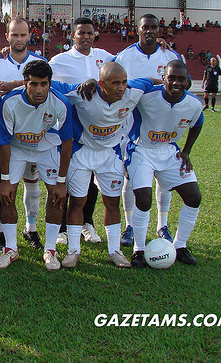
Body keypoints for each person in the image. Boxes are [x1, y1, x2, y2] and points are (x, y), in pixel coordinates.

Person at [51, 62, 154, 269]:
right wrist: (9, 85)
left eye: (124, 82)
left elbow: (153, 82)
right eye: (115, 83)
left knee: (112, 202)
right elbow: (47, 83)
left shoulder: (133, 91)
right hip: (82, 153)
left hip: (110, 155)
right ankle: (73, 251)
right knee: (77, 202)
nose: (121, 87)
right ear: (101, 84)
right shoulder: (83, 94)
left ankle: (114, 251)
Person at [0, 60, 73, 269]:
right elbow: (4, 142)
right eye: (33, 84)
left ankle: (50, 250)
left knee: (56, 195)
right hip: (17, 147)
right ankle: (10, 248)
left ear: (50, 83)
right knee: (7, 194)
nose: (39, 90)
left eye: (44, 84)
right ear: (24, 83)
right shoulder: (10, 102)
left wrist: (61, 182)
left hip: (46, 147)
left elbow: (67, 143)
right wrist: (5, 180)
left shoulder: (61, 103)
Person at [126, 60, 204, 267]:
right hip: (141, 150)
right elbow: (127, 88)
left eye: (181, 79)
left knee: (194, 196)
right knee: (144, 200)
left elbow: (198, 123)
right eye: (171, 78)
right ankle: (139, 250)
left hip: (170, 151)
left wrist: (186, 151)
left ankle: (180, 246)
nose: (176, 83)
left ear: (188, 81)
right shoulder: (146, 96)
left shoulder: (194, 104)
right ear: (164, 78)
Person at [114, 14, 181, 247]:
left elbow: (183, 83)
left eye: (154, 27)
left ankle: (162, 225)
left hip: (163, 124)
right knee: (130, 176)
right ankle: (130, 225)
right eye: (145, 27)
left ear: (159, 30)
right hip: (132, 125)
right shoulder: (124, 57)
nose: (150, 31)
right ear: (138, 30)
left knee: (163, 177)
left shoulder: (170, 55)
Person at [49, 17, 115, 246]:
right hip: (70, 126)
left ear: (95, 34)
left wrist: (161, 45)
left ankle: (87, 222)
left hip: (96, 128)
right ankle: (62, 227)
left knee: (91, 178)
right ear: (72, 35)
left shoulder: (106, 57)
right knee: (65, 176)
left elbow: (124, 66)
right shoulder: (59, 60)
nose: (86, 36)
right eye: (81, 33)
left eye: (89, 33)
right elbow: (43, 80)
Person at [0, 17, 47, 250]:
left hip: (31, 133)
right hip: (3, 134)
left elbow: (46, 88)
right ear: (7, 36)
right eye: (14, 34)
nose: (19, 39)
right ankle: (3, 231)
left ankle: (31, 228)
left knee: (32, 183)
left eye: (23, 34)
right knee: (5, 183)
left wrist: (13, 84)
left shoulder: (40, 62)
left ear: (29, 36)